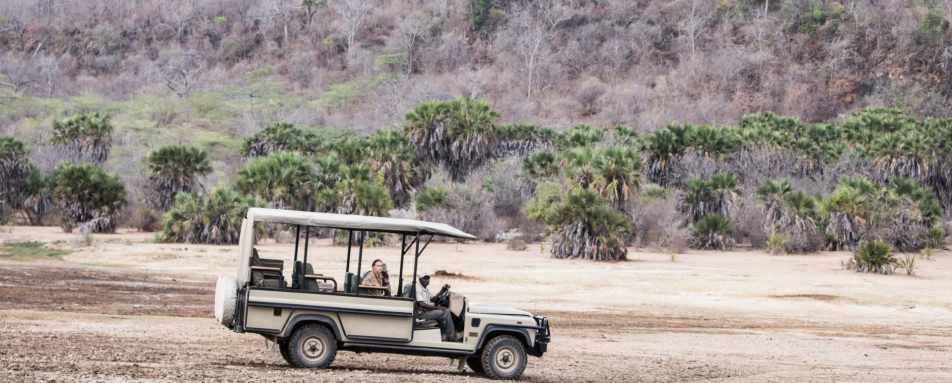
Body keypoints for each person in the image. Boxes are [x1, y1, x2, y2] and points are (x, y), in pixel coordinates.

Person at [415, 275, 459, 342]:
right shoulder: (418, 289)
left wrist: (442, 290)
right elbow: (422, 304)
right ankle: (451, 336)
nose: (427, 280)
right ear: (420, 279)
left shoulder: (425, 289)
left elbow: (433, 299)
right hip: (422, 314)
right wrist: (438, 308)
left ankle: (444, 334)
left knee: (443, 311)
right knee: (446, 311)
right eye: (424, 278)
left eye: (428, 278)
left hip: (427, 311)